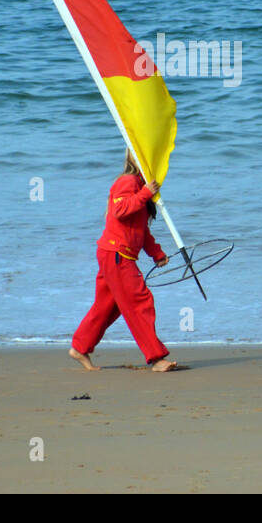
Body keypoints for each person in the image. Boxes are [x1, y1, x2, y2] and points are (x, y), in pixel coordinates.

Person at [69, 151, 177, 372]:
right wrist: (145, 193)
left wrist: (156, 253)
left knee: (107, 307)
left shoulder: (141, 185)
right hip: (117, 254)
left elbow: (141, 230)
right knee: (140, 302)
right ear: (133, 158)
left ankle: (80, 347)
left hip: (114, 254)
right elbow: (119, 211)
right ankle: (156, 359)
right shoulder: (127, 181)